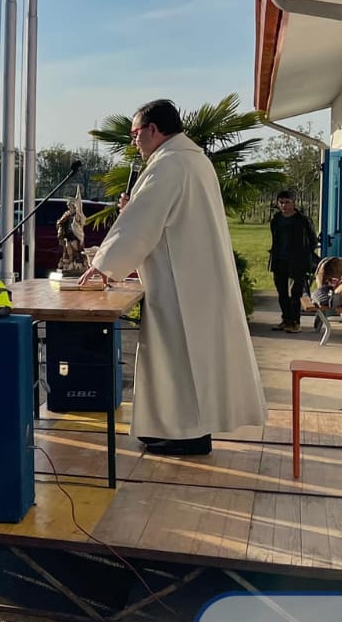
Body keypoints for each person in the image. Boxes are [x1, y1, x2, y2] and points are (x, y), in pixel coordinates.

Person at [78, 98, 266, 456]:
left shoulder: (169, 164)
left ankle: (188, 435)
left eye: (135, 134)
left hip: (183, 284)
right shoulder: (193, 159)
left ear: (153, 129)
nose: (134, 142)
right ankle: (173, 429)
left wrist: (104, 264)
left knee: (181, 361)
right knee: (179, 361)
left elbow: (141, 224)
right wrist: (131, 211)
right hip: (191, 275)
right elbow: (155, 216)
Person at [269, 189, 318, 333]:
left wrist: (304, 253)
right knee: (282, 292)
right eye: (281, 202)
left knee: (296, 293)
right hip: (280, 259)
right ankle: (286, 319)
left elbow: (312, 240)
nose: (284, 205)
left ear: (293, 202)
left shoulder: (302, 220)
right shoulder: (276, 219)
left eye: (287, 202)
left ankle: (295, 322)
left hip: (298, 261)